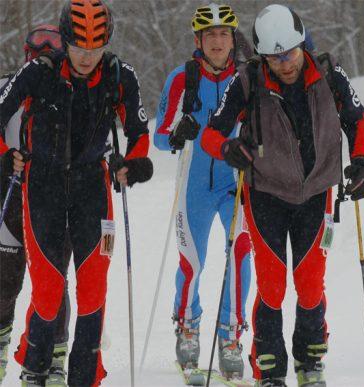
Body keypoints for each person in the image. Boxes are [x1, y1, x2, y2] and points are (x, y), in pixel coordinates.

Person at [201, 4, 364, 387]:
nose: (287, 63)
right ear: (263, 56)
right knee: (273, 284)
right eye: (276, 57)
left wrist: (362, 163)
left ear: (301, 45)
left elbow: (357, 120)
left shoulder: (329, 74)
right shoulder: (249, 80)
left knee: (311, 285)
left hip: (316, 193)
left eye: (292, 52)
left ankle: (311, 358)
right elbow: (213, 133)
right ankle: (269, 366)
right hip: (266, 196)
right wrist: (228, 149)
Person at [0, 0, 153, 385]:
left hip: (92, 188)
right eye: (80, 48)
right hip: (42, 186)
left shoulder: (120, 75)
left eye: (95, 49)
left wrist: (132, 164)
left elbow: (139, 134)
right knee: (49, 291)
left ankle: (85, 377)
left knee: (92, 290)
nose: (88, 58)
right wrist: (6, 156)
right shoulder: (39, 72)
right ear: (65, 41)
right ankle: (34, 370)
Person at [154, 3, 251, 378]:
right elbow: (159, 138)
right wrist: (177, 134)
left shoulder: (245, 78)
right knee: (191, 262)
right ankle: (188, 327)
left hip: (233, 183)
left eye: (223, 33)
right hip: (194, 185)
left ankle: (230, 335)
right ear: (198, 40)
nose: (217, 41)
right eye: (210, 35)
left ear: (232, 39)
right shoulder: (182, 78)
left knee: (240, 257)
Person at [0, 25, 72, 387]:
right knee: (5, 278)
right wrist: (5, 156)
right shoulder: (9, 86)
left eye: (52, 50)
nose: (43, 57)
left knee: (54, 281)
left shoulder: (71, 89)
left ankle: (54, 355)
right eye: (36, 51)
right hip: (12, 195)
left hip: (54, 200)